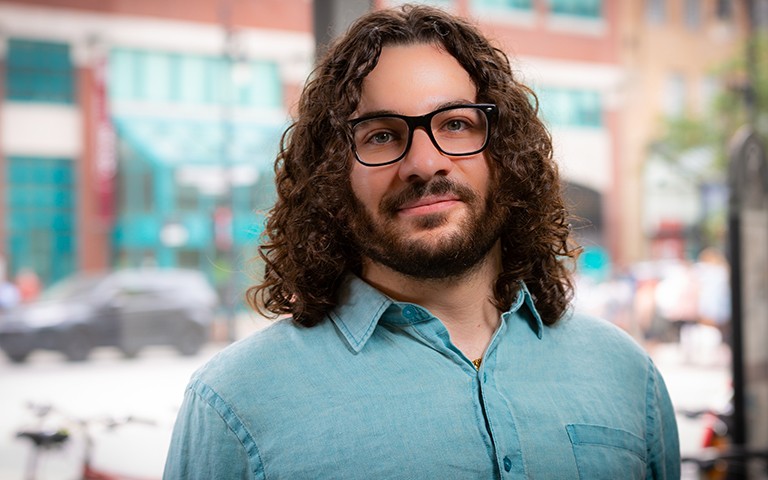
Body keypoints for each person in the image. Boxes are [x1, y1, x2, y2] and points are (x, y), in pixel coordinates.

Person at [164, 5, 680, 479]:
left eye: (455, 124)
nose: (425, 162)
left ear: (505, 155)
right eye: (381, 135)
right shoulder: (235, 404)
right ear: (331, 179)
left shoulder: (626, 375)